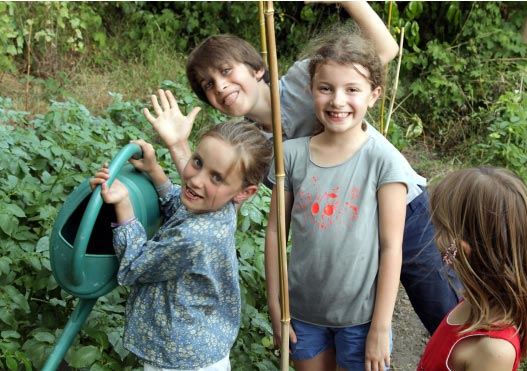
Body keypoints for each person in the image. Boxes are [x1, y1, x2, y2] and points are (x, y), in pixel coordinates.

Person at [144, 1, 460, 337]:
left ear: (256, 69)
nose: (219, 86)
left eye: (225, 71)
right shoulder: (250, 147)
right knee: (355, 331)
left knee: (440, 310)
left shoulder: (301, 79)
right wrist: (178, 145)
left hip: (398, 206)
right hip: (342, 228)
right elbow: (211, 194)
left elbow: (385, 48)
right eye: (207, 84)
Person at [262, 26, 427, 370]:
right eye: (326, 88)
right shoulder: (289, 155)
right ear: (311, 92)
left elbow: (391, 247)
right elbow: (276, 233)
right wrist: (277, 307)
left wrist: (381, 327)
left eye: (352, 89)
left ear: (373, 94)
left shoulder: (385, 161)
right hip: (302, 314)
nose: (337, 101)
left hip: (362, 319)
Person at [89, 121, 272, 370]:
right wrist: (154, 171)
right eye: (197, 162)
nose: (196, 180)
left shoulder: (196, 237)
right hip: (201, 347)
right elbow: (179, 206)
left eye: (216, 177)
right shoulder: (219, 208)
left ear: (244, 192)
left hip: (181, 361)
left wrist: (122, 205)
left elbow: (133, 267)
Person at [417, 167, 527, 371]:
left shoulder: (493, 350)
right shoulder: (474, 300)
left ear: (462, 249)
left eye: (440, 229)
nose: (435, 239)